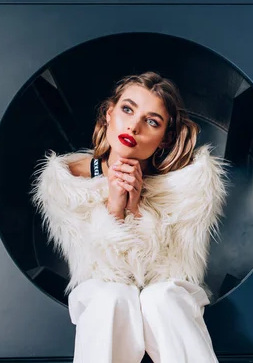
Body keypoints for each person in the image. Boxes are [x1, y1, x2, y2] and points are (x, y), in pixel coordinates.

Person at [31, 71, 228, 363]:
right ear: (109, 114)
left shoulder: (186, 190)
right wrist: (114, 207)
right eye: (127, 109)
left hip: (166, 303)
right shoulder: (68, 182)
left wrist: (136, 210)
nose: (134, 126)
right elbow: (101, 273)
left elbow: (168, 273)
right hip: (102, 297)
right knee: (111, 297)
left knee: (163, 298)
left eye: (152, 121)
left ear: (165, 138)